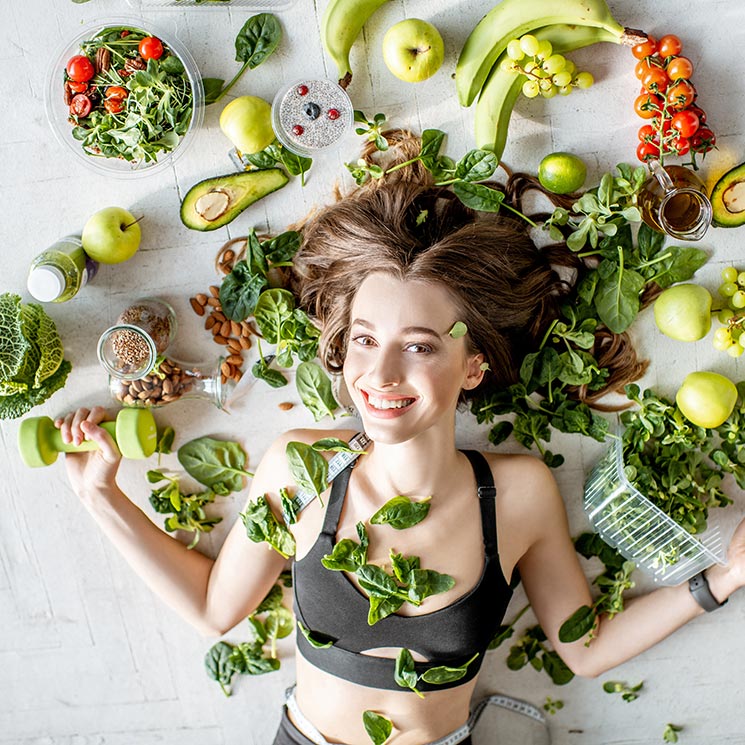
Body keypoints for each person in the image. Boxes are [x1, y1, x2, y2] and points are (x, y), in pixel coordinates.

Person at [56, 133, 745, 745]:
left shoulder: (518, 492)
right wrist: (102, 497)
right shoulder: (301, 466)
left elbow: (585, 649)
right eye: (364, 340)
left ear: (471, 364)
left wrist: (726, 576)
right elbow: (214, 609)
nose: (379, 373)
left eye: (418, 347)